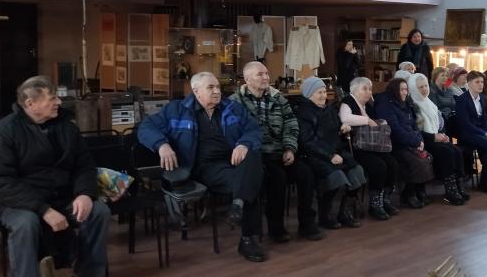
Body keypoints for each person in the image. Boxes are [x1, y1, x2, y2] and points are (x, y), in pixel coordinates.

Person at [0, 76, 112, 277]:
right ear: (30, 103)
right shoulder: (2, 134)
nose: (59, 102)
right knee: (25, 224)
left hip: (61, 196)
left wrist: (84, 194)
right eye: (52, 98)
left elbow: (84, 165)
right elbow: (0, 183)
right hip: (17, 203)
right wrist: (44, 210)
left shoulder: (67, 128)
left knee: (98, 211)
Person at [138, 72, 266, 262]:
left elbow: (253, 129)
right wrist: (162, 145)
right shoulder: (177, 109)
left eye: (218, 87)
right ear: (196, 91)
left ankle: (238, 206)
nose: (217, 91)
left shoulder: (232, 108)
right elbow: (145, 127)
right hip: (203, 167)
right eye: (211, 87)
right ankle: (248, 238)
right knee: (251, 181)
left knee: (252, 156)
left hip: (232, 161)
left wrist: (243, 144)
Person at [229, 62, 322, 242]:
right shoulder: (235, 101)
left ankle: (307, 224)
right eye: (260, 74)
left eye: (266, 73)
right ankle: (276, 228)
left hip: (280, 151)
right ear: (247, 79)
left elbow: (291, 124)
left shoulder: (278, 98)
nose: (266, 77)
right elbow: (234, 132)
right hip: (256, 155)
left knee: (306, 174)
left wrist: (289, 148)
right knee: (277, 177)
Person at [296, 77, 366, 229]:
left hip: (336, 151)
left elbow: (336, 129)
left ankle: (345, 212)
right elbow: (307, 141)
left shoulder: (329, 110)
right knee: (336, 176)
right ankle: (325, 215)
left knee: (357, 171)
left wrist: (343, 128)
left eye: (324, 92)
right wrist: (330, 155)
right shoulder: (303, 113)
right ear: (309, 94)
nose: (323, 96)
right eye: (319, 92)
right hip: (314, 155)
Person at [338, 77, 400, 220]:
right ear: (354, 90)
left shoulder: (368, 106)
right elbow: (345, 118)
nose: (368, 92)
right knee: (378, 166)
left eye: (370, 89)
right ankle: (375, 204)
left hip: (372, 145)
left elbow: (376, 122)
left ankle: (384, 200)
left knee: (392, 164)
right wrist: (367, 120)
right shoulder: (347, 101)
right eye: (364, 88)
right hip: (355, 147)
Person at [408, 73, 470, 205]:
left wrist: (443, 135)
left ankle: (458, 186)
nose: (424, 89)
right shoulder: (412, 105)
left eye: (425, 86)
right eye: (420, 87)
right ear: (413, 88)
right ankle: (450, 190)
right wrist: (434, 137)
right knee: (447, 152)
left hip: (434, 138)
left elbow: (438, 125)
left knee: (456, 151)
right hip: (422, 141)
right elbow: (415, 131)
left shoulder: (429, 103)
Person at [375, 78, 435, 208]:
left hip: (410, 141)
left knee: (427, 157)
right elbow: (395, 130)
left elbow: (414, 125)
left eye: (406, 89)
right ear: (394, 90)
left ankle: (419, 190)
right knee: (416, 161)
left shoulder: (406, 104)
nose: (404, 92)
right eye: (401, 89)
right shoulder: (386, 105)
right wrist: (415, 141)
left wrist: (420, 140)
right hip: (395, 144)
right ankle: (409, 194)